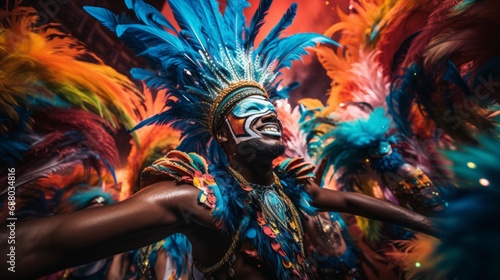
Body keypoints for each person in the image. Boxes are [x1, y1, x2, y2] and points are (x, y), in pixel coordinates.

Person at [0, 0, 436, 279]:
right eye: (251, 112)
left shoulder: (284, 189)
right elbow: (48, 242)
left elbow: (348, 202)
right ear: (224, 136)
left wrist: (427, 224)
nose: (268, 117)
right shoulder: (196, 200)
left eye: (269, 111)